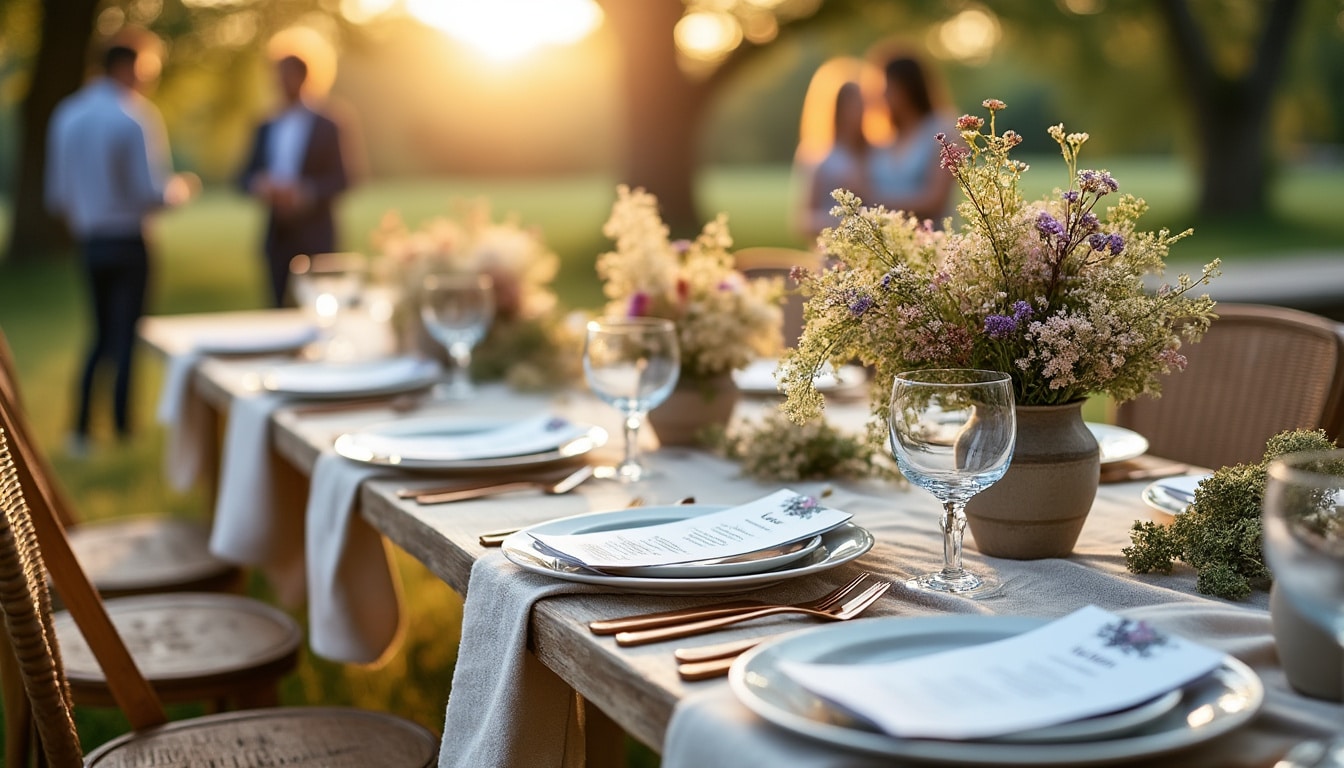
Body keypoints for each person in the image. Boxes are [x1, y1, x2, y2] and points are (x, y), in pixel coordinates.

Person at [45, 42, 193, 453]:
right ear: (128, 66)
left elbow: (57, 193)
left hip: (90, 241)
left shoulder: (67, 114)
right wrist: (181, 191)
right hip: (128, 240)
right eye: (146, 67)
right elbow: (150, 191)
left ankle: (81, 429)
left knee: (98, 334)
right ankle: (124, 427)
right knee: (125, 335)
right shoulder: (134, 116)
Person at [239, 54, 350, 307]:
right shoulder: (265, 124)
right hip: (278, 234)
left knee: (319, 306)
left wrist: (304, 193)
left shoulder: (328, 124)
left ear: (304, 78)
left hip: (316, 232)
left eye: (287, 75)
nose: (281, 82)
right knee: (278, 307)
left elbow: (343, 178)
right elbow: (243, 176)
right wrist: (261, 185)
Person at [793, 57, 882, 241]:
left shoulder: (878, 152)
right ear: (838, 109)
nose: (859, 111)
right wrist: (846, 223)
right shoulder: (818, 156)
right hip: (834, 254)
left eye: (862, 104)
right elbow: (803, 220)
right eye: (853, 105)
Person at [866, 53, 957, 223]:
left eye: (887, 87)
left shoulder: (942, 130)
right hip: (887, 246)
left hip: (934, 242)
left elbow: (935, 201)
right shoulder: (882, 140)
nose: (881, 94)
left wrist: (869, 202)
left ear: (906, 87)